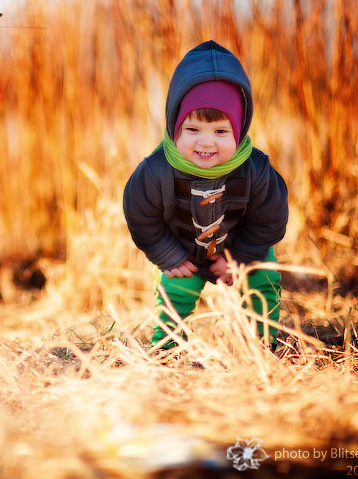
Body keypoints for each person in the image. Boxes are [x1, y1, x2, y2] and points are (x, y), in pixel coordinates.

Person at [122, 40, 288, 349]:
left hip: (242, 248)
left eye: (221, 132)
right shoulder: (156, 171)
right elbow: (140, 215)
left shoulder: (255, 169)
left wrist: (241, 257)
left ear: (238, 131)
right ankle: (165, 351)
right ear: (175, 127)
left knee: (263, 279)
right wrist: (167, 254)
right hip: (184, 252)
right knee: (176, 294)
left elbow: (271, 218)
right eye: (193, 130)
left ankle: (262, 346)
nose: (206, 143)